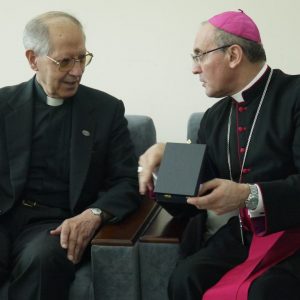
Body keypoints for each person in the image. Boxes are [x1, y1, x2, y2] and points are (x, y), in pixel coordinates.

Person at [139, 9, 300, 300]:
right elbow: (193, 203)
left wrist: (248, 196)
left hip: (294, 236)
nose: (194, 68)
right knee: (185, 278)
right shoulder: (214, 118)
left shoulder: (296, 95)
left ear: (234, 55)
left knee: (266, 291)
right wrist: (167, 161)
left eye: (200, 55)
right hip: (243, 236)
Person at [0, 11, 140, 300]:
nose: (77, 71)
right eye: (65, 61)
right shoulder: (3, 105)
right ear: (32, 59)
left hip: (56, 225)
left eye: (82, 58)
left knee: (41, 261)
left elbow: (126, 182)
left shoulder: (105, 111)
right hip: (5, 216)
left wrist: (94, 214)